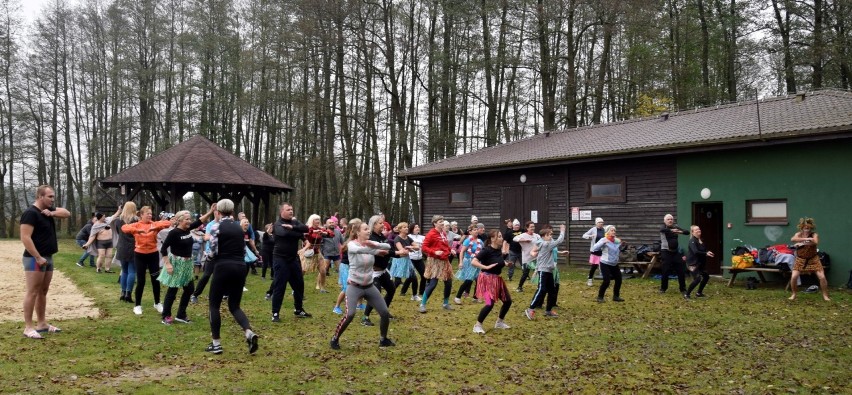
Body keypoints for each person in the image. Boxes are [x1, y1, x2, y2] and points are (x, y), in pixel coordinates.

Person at [204, 199, 259, 355]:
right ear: (233, 212)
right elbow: (242, 249)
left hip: (222, 266)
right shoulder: (239, 227)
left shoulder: (216, 227)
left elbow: (213, 250)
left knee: (214, 305)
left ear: (218, 212)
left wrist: (207, 258)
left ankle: (216, 344)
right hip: (240, 267)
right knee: (234, 305)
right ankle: (248, 332)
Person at [329, 221, 394, 350]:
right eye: (365, 229)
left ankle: (383, 339)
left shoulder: (371, 244)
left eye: (369, 229)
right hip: (354, 286)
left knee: (384, 313)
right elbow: (358, 250)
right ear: (358, 232)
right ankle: (335, 338)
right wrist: (372, 249)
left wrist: (375, 245)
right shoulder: (352, 245)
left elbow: (387, 246)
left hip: (369, 286)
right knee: (350, 314)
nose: (368, 231)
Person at [20, 185, 70, 339]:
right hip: (34, 259)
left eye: (53, 197)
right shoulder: (30, 213)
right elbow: (25, 237)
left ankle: (42, 324)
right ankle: (28, 327)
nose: (52, 199)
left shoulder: (47, 212)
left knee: (43, 291)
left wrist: (52, 212)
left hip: (48, 257)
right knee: (33, 291)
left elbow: (67, 213)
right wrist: (37, 257)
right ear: (40, 196)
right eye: (50, 197)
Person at [122, 206, 174, 315]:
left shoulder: (154, 224)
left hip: (153, 255)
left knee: (155, 280)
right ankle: (137, 305)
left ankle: (157, 303)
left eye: (150, 213)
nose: (150, 215)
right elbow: (124, 228)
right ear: (141, 215)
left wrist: (155, 228)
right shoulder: (136, 225)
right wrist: (137, 230)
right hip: (139, 255)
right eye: (147, 214)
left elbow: (167, 223)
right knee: (141, 281)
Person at [158, 210, 205, 324]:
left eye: (190, 219)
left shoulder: (188, 229)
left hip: (187, 264)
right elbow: (163, 249)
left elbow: (199, 222)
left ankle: (181, 314)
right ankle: (166, 316)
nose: (190, 221)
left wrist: (210, 212)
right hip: (177, 264)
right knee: (173, 290)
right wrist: (168, 264)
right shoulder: (174, 233)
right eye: (187, 219)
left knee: (189, 289)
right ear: (180, 220)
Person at [270, 203, 311, 322]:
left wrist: (293, 228)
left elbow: (306, 229)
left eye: (292, 209)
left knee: (299, 284)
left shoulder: (294, 223)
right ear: (282, 211)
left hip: (293, 259)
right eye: (288, 210)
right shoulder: (277, 224)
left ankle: (298, 309)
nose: (291, 211)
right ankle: (275, 313)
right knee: (280, 286)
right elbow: (285, 233)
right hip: (280, 259)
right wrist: (298, 233)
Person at [470, 229, 513, 334]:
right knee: (489, 304)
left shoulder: (498, 249)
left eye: (501, 236)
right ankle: (477, 325)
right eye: (499, 236)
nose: (501, 238)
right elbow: (473, 261)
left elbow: (498, 261)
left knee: (507, 301)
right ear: (492, 239)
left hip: (497, 280)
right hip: (485, 280)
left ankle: (499, 322)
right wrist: (485, 266)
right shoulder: (486, 250)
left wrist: (506, 263)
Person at [361, 215, 398, 326]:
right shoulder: (371, 237)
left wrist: (398, 253)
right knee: (375, 295)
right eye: (380, 223)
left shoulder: (382, 236)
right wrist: (398, 253)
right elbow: (383, 251)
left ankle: (384, 312)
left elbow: (389, 249)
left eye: (383, 223)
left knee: (391, 289)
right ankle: (365, 317)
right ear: (374, 224)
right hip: (373, 272)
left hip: (383, 270)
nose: (383, 225)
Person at [524, 224, 565, 319]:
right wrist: (562, 230)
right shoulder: (546, 244)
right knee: (542, 289)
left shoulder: (545, 243)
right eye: (549, 235)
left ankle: (548, 310)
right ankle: (530, 309)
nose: (551, 236)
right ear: (543, 237)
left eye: (551, 235)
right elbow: (560, 240)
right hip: (543, 270)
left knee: (552, 290)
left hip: (549, 270)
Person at [418, 215, 454, 313]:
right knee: (433, 283)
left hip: (444, 260)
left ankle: (446, 303)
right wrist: (434, 252)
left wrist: (451, 250)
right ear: (434, 223)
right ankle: (422, 304)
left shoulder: (443, 233)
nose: (442, 223)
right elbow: (424, 247)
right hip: (435, 261)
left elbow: (445, 245)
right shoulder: (431, 234)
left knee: (448, 282)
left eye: (443, 221)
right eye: (440, 222)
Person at [789, 218, 830, 301]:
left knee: (822, 277)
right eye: (805, 226)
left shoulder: (814, 234)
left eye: (808, 227)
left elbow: (815, 242)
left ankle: (825, 295)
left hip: (813, 259)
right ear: (802, 227)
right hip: (800, 260)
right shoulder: (798, 234)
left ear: (811, 227)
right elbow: (793, 239)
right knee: (794, 277)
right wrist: (806, 239)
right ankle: (794, 294)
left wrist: (802, 243)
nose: (807, 228)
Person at [113, 202, 139, 303]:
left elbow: (118, 232)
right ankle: (129, 293)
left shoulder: (118, 220)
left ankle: (123, 293)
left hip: (122, 246)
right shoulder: (136, 220)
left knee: (124, 271)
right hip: (133, 246)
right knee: (132, 271)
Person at [591, 225, 625, 303]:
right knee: (607, 281)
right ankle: (600, 297)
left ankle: (616, 296)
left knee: (619, 279)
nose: (613, 232)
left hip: (614, 263)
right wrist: (602, 242)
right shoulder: (604, 239)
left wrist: (623, 246)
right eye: (612, 230)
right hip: (605, 263)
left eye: (614, 231)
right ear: (607, 232)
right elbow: (594, 248)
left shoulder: (617, 241)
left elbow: (618, 250)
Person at [82, 208, 120, 273]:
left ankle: (107, 269)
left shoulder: (107, 220)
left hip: (109, 242)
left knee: (109, 255)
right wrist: (87, 244)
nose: (105, 217)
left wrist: (119, 210)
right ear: (100, 217)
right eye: (103, 216)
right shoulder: (96, 225)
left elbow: (114, 216)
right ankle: (98, 268)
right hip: (101, 243)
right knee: (101, 255)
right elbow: (92, 236)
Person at [658, 214, 688, 294]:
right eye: (668, 219)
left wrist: (679, 231)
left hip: (675, 252)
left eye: (671, 219)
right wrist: (672, 230)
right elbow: (662, 230)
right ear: (665, 221)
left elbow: (687, 232)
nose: (670, 220)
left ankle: (683, 289)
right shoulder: (663, 227)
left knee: (681, 270)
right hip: (666, 252)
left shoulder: (675, 227)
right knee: (665, 270)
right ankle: (663, 288)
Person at [303, 214, 333, 292]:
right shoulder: (308, 228)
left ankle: (322, 288)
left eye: (318, 220)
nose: (318, 221)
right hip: (308, 253)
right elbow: (306, 234)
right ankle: (295, 288)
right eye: (316, 220)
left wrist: (325, 233)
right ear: (312, 221)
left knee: (323, 271)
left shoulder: (321, 229)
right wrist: (314, 231)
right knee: (302, 271)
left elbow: (332, 234)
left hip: (317, 253)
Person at [454, 225, 483, 305]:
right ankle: (457, 297)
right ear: (470, 232)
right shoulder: (467, 241)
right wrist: (460, 262)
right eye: (474, 230)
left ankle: (475, 297)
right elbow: (462, 252)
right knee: (469, 280)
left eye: (477, 229)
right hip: (469, 261)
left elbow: (482, 252)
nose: (476, 231)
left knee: (478, 280)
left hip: (477, 262)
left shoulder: (480, 242)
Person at [685, 225, 715, 299]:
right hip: (692, 263)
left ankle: (699, 293)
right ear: (692, 232)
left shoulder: (700, 240)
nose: (698, 230)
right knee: (697, 279)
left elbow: (703, 251)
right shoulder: (692, 240)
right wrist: (705, 253)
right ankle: (687, 294)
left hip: (700, 263)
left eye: (699, 229)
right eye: (696, 230)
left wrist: (708, 252)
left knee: (706, 276)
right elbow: (695, 252)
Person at [513, 221, 541, 293]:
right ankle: (519, 287)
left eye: (533, 227)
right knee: (525, 274)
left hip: (535, 258)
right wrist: (524, 240)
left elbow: (541, 241)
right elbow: (515, 239)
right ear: (527, 228)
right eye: (531, 227)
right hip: (527, 258)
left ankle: (540, 287)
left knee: (539, 272)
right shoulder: (523, 235)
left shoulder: (536, 235)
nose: (533, 228)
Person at [389, 222, 415, 298]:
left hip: (407, 260)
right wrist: (409, 249)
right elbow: (402, 251)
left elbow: (417, 246)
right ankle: (390, 293)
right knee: (397, 281)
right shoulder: (397, 239)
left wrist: (410, 248)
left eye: (407, 227)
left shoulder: (408, 237)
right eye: (404, 227)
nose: (407, 228)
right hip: (399, 260)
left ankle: (414, 295)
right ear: (400, 229)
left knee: (413, 278)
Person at [400, 223, 425, 301]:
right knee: (411, 277)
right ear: (412, 229)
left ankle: (422, 291)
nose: (417, 228)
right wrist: (412, 247)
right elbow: (404, 246)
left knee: (424, 275)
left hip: (419, 259)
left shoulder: (422, 237)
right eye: (415, 227)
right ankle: (403, 291)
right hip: (411, 258)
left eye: (418, 227)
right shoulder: (409, 237)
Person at [582, 218, 606, 287]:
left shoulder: (604, 230)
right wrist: (590, 236)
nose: (601, 223)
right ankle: (590, 279)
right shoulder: (593, 229)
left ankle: (605, 281)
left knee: (604, 266)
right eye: (600, 222)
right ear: (596, 223)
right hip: (595, 250)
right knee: (594, 266)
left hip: (603, 251)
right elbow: (584, 235)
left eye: (602, 222)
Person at [321, 218, 344, 289]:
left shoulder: (338, 232)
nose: (332, 224)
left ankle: (342, 284)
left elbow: (342, 242)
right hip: (327, 254)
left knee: (341, 269)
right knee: (323, 270)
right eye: (330, 223)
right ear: (326, 224)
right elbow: (320, 243)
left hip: (336, 254)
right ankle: (320, 285)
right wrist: (321, 252)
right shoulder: (323, 232)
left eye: (333, 222)